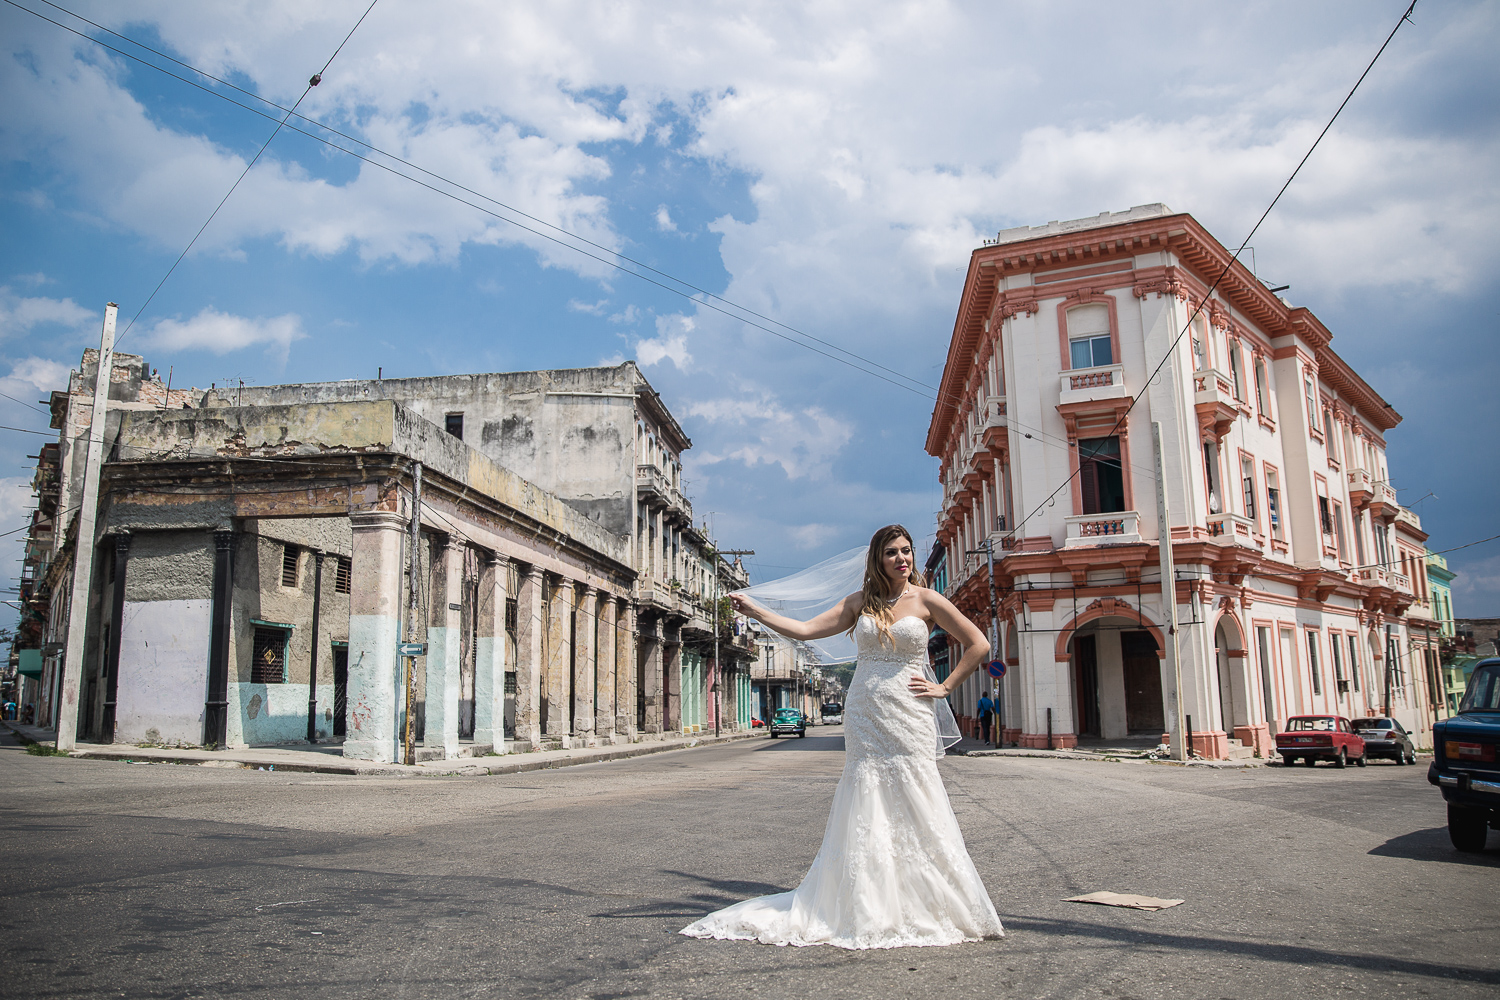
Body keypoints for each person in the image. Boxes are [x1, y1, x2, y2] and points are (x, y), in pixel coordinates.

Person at [681, 524, 1003, 949]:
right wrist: (757, 611)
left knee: (917, 793)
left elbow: (977, 644)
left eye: (907, 551)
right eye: (892, 552)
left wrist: (944, 687)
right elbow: (806, 630)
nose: (902, 559)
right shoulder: (859, 604)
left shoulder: (928, 599)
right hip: (867, 712)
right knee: (868, 794)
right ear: (878, 558)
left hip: (909, 711)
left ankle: (934, 899)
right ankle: (868, 899)